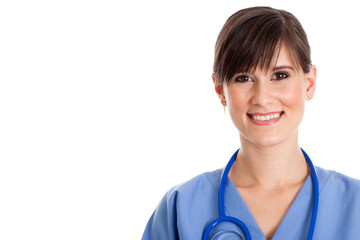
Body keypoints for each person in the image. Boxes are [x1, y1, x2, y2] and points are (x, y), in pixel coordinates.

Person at [142, 6, 360, 240]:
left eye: (280, 75)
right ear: (220, 90)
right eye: (243, 78)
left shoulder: (355, 205)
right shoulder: (180, 208)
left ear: (309, 83)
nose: (262, 98)